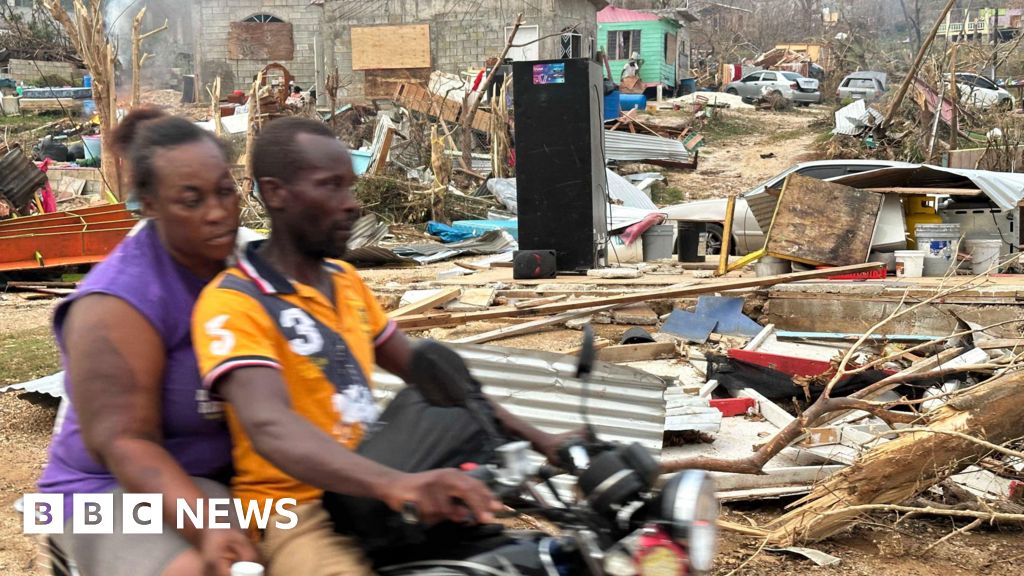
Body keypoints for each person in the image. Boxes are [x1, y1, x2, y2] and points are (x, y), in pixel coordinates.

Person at [191, 117, 572, 576]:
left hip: (379, 480)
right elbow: (271, 427)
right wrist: (396, 486)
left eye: (349, 187)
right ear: (275, 193)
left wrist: (545, 441)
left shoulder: (345, 282)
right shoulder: (233, 302)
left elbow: (430, 374)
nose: (351, 205)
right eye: (330, 187)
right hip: (297, 512)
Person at [37, 108, 260, 576]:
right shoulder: (116, 301)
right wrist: (205, 527)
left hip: (210, 479)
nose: (217, 212)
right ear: (150, 205)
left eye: (225, 192)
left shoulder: (247, 266)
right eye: (190, 200)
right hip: (105, 490)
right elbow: (124, 443)